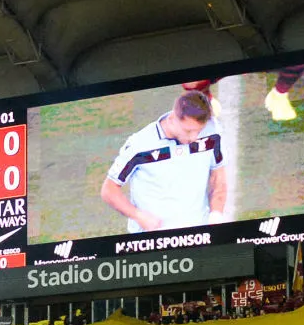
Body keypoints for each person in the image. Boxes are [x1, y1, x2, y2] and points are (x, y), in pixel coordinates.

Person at [97, 89, 226, 232]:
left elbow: (218, 176)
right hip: (152, 241)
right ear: (172, 119)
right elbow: (109, 190)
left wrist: (216, 217)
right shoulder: (139, 144)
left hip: (197, 235)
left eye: (199, 131)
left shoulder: (213, 132)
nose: (194, 138)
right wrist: (139, 216)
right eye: (188, 131)